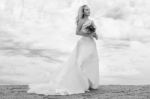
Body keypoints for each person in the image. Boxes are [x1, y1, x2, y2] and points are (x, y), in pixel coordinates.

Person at [27, 4, 100, 95]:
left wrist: (95, 35)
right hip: (84, 42)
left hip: (91, 43)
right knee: (81, 61)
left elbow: (93, 31)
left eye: (89, 9)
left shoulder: (91, 21)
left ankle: (90, 83)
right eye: (86, 10)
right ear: (83, 12)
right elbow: (77, 32)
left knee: (91, 61)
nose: (89, 11)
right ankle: (81, 83)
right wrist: (89, 34)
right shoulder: (81, 21)